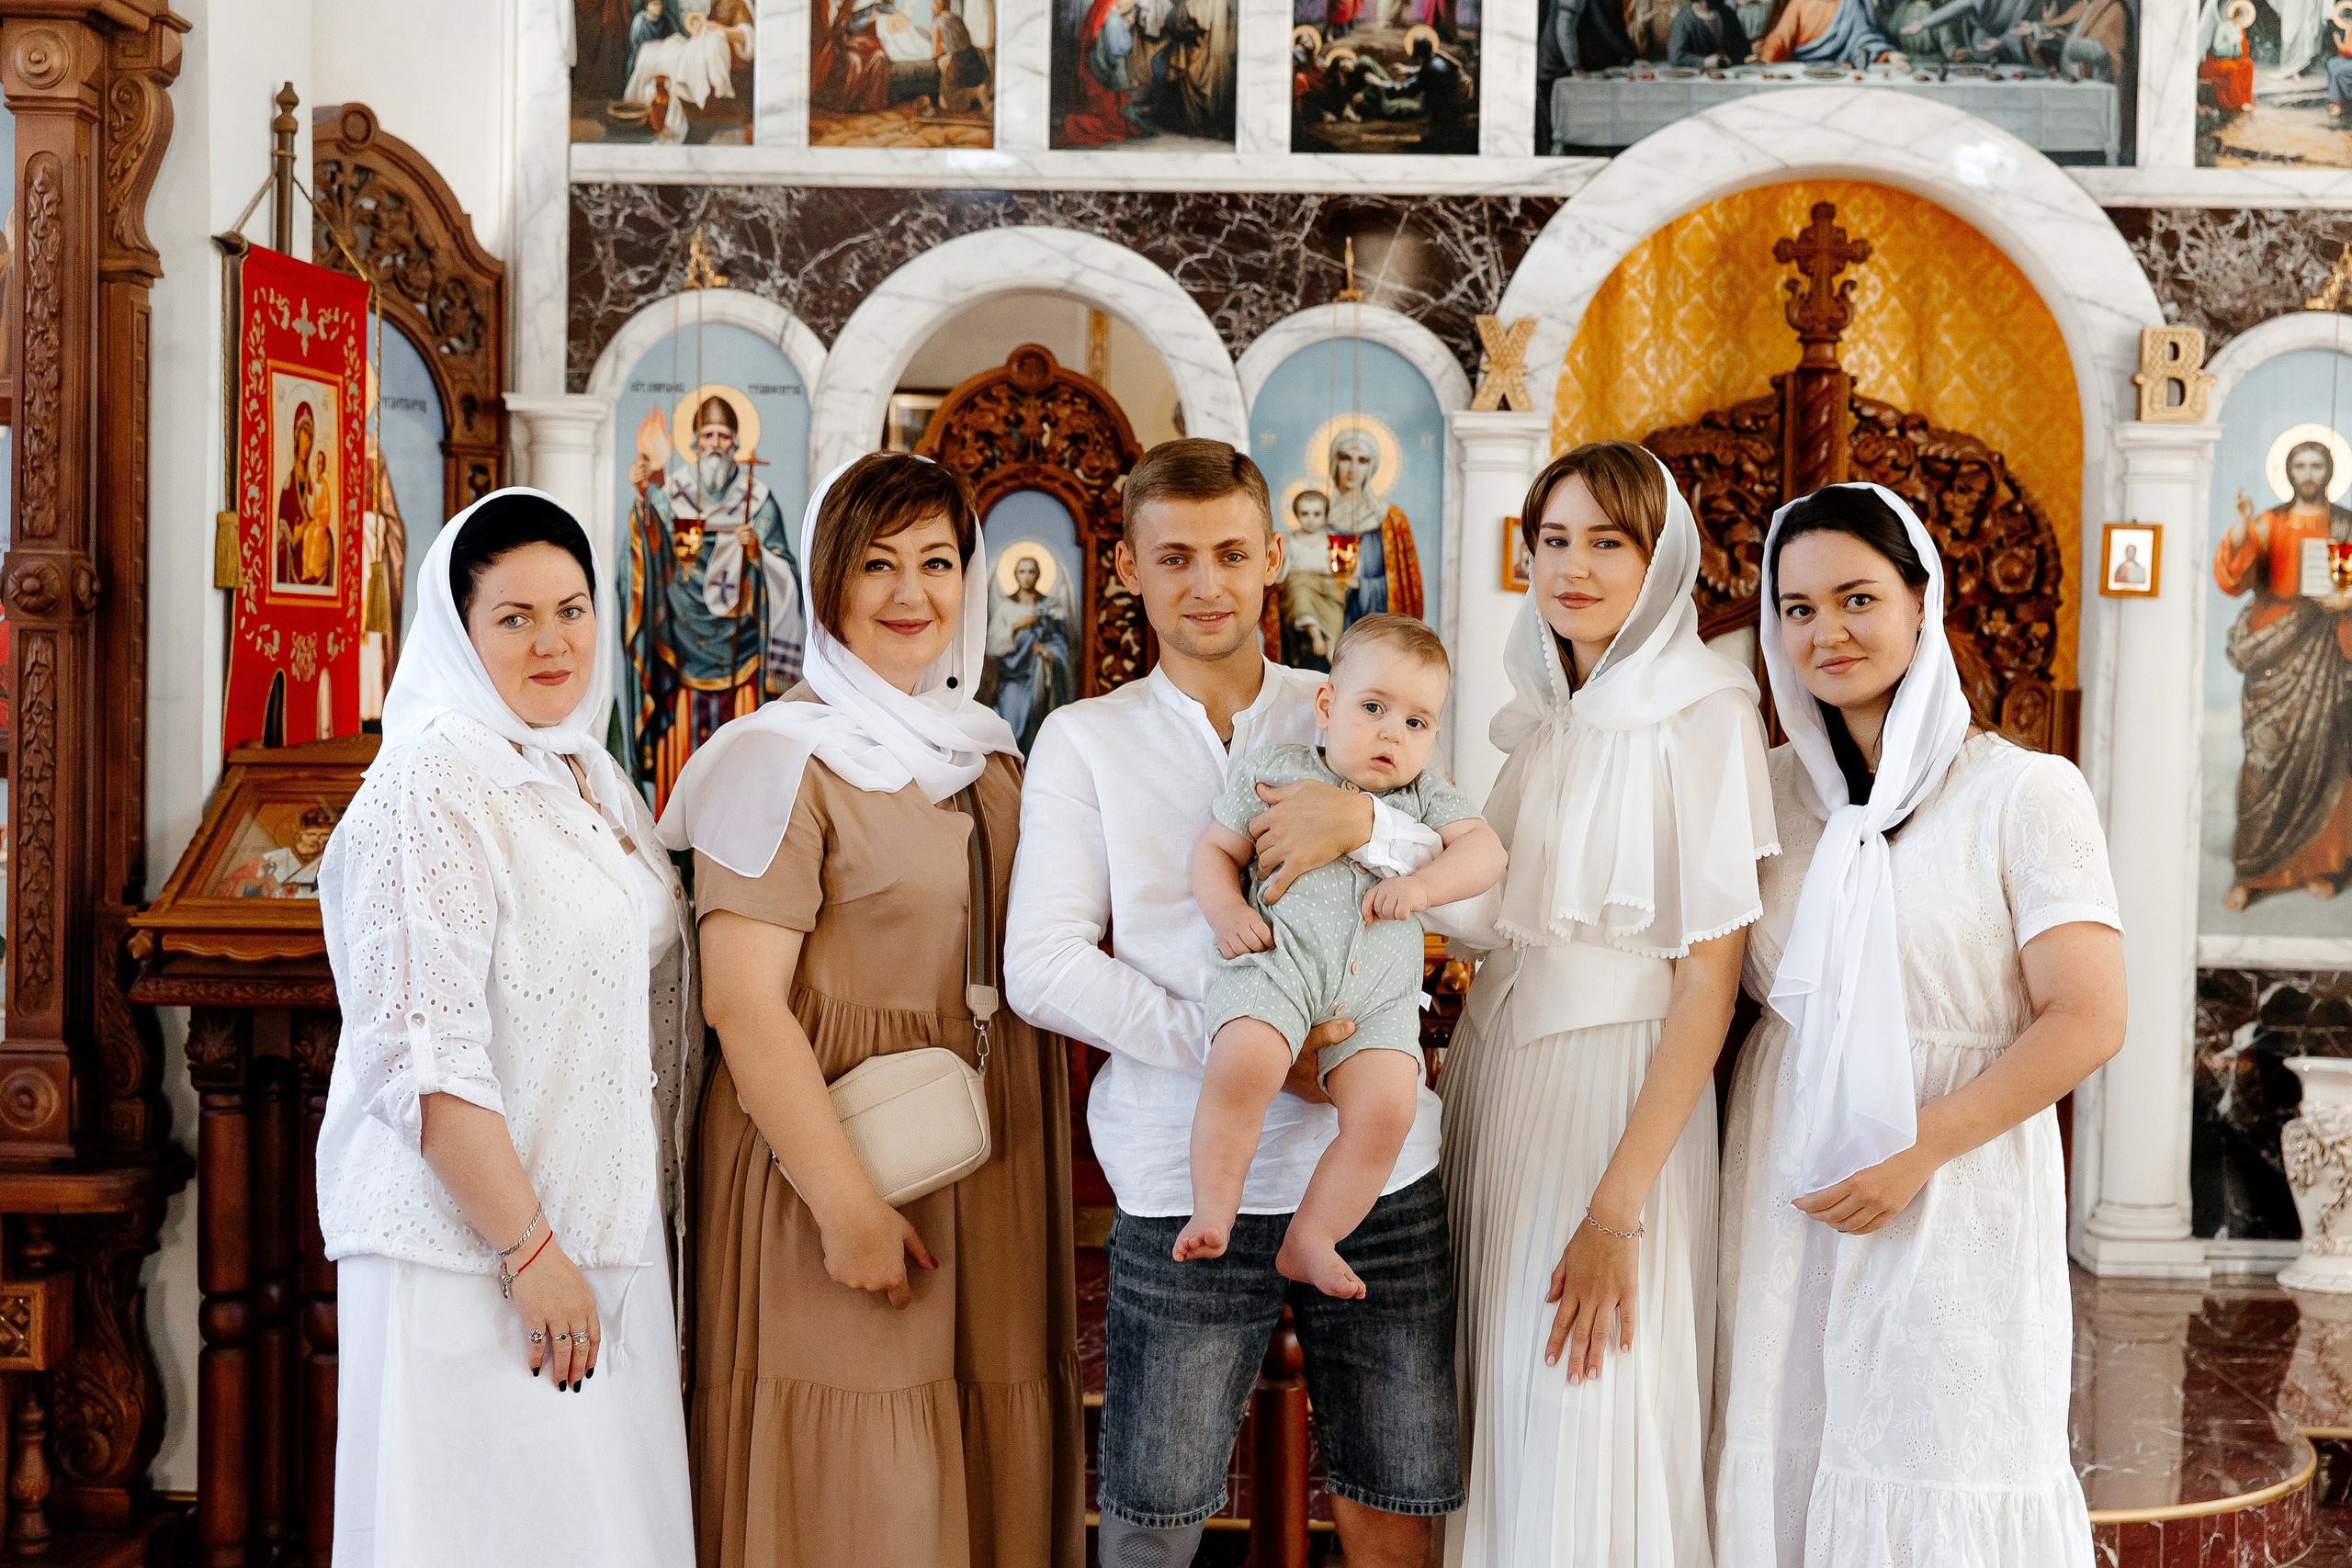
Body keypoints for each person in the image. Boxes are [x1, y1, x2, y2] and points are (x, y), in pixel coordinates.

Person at [1007, 439, 1460, 1568]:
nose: (1204, 583)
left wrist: (1366, 826)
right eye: (1173, 558)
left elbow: (1486, 903)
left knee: (1398, 1504)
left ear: (1272, 557)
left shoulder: (1358, 703)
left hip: (1377, 1177)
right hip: (1180, 1172)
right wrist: (1244, 1047)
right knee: (1154, 1525)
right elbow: (1045, 965)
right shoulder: (1086, 738)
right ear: (1126, 568)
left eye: (1227, 553)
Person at [660, 452, 1083, 1568]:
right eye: (878, 564)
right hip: (835, 1161)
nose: (912, 595)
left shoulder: (986, 756)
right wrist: (844, 1208)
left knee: (978, 1442)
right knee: (863, 1488)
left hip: (987, 1151)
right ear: (829, 581)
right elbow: (743, 1008)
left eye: (938, 563)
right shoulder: (776, 759)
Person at [1710, 483, 2123, 1567]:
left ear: (1919, 601)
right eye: (1795, 609)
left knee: (1933, 1459)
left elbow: (2088, 1017)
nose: (1824, 632)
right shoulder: (1760, 796)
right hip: (1784, 1176)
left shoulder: (2024, 792)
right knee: (1782, 1449)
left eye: (1855, 598)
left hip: (1956, 1182)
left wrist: (1920, 1146)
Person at [316, 488, 700, 1567]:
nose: (553, 642)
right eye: (515, 617)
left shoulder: (584, 772)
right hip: (479, 1251)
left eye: (572, 609)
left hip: (598, 1228)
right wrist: (530, 1252)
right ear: (456, 629)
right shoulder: (431, 784)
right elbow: (422, 1061)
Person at [1431, 442, 1774, 1568]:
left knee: (1583, 1406)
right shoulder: (1541, 715)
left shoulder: (1707, 711)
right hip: (1495, 1080)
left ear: (1659, 557)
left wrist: (1615, 1210)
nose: (1572, 567)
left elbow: (1708, 985)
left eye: (1606, 541)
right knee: (1498, 1419)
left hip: (1615, 1099)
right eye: (1552, 539)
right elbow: (1484, 907)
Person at [1182, 615, 1506, 1296]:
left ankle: (1314, 1236)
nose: (1394, 732)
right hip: (1281, 967)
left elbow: (1487, 853)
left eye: (1418, 722)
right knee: (1243, 1064)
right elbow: (1215, 852)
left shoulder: (1425, 798)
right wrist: (1229, 912)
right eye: (1374, 708)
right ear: (1327, 707)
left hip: (1380, 1002)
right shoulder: (1277, 771)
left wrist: (1421, 883)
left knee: (1389, 1111)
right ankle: (1214, 1205)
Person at [626, 390, 802, 812]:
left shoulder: (756, 501)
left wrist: (758, 552)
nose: (716, 444)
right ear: (694, 441)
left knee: (741, 780)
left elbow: (785, 573)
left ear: (737, 443)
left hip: (741, 657)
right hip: (681, 652)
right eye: (708, 434)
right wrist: (642, 499)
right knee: (682, 771)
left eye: (724, 435)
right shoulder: (673, 497)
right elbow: (651, 557)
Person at [2214, 439, 2352, 909]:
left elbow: (2343, 589)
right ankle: (2252, 872)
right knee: (2262, 761)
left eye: (2317, 464)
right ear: (2288, 472)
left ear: (2329, 470)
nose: (2309, 473)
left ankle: (2321, 864)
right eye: (2300, 465)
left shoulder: (2342, 525)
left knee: (2326, 753)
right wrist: (2239, 529)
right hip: (2273, 652)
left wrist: (2340, 602)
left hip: (2324, 652)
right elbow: (2236, 578)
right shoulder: (2269, 523)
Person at [984, 547, 1077, 750]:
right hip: (1013, 681)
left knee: (1037, 736)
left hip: (1040, 681)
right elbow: (992, 645)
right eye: (1022, 571)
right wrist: (1018, 626)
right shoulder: (1006, 608)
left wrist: (1046, 653)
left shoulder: (1049, 606)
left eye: (1032, 571)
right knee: (1012, 735)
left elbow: (1061, 645)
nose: (1027, 577)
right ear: (1015, 575)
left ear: (1039, 575)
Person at [1062, 0, 1148, 143]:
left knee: (1113, 119)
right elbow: (1120, 48)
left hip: (1098, 74)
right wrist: (1126, 28)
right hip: (1108, 79)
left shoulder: (1101, 12)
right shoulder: (1114, 18)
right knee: (1113, 124)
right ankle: (1076, 122)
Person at [1759, 0, 1902, 63]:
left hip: (1841, 71)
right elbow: (1781, 37)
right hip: (1804, 70)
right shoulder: (1800, 2)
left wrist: (1886, 55)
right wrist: (1766, 57)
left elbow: (1862, 38)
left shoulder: (1850, 3)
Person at [1668, 0, 1751, 64]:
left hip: (1729, 76)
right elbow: (1676, 57)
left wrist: (1731, 59)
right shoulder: (1683, 19)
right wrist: (1703, 62)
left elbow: (1744, 48)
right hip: (1696, 79)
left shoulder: (1727, 13)